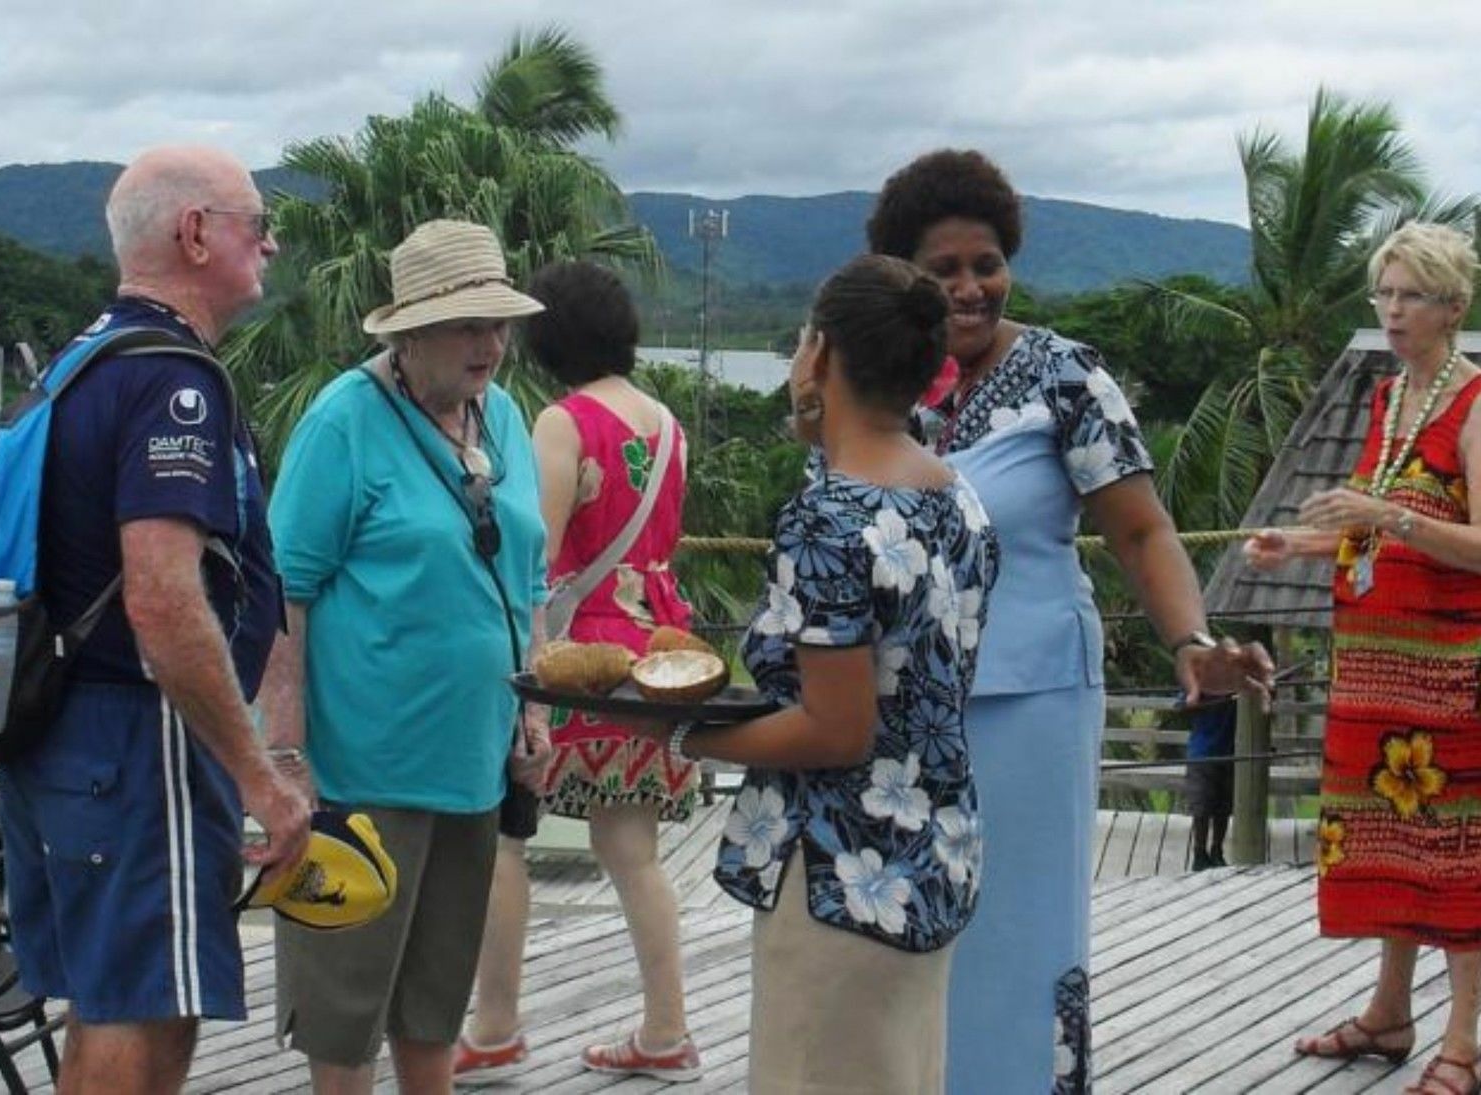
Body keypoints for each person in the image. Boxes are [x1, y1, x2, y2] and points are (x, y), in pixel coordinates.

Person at [865, 148, 1274, 1092]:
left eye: (986, 264)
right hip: (895, 705)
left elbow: (1140, 529)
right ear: (903, 278)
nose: (970, 287)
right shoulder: (872, 383)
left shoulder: (1065, 377)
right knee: (903, 923)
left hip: (1032, 699)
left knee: (1017, 928)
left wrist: (1193, 641)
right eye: (944, 269)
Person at [621, 254, 996, 1093]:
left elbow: (836, 727)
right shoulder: (954, 494)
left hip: (839, 871)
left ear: (820, 353)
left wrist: (680, 729)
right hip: (931, 854)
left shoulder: (832, 516)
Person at [0, 145, 313, 1095]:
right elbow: (162, 597)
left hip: (59, 732)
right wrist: (260, 773)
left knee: (108, 999)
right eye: (257, 224)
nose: (272, 243)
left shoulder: (82, 361)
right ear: (196, 233)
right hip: (136, 740)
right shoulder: (173, 379)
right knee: (143, 1010)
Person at [1247, 222, 1481, 1095]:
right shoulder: (1392, 398)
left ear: (1452, 306)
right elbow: (1382, 526)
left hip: (1467, 670)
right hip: (1388, 665)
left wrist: (1380, 518)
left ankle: (1462, 1043)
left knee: (1459, 849)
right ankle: (1389, 1014)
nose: (1391, 308)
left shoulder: (1480, 402)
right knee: (1396, 834)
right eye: (1384, 291)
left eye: (1411, 293)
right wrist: (1300, 546)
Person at [268, 218, 553, 1095]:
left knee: (436, 1006)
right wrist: (282, 759)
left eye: (498, 322)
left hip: (474, 765)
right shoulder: (343, 423)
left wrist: (533, 708)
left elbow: (527, 575)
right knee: (345, 1014)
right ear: (408, 331)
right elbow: (284, 598)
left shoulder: (502, 416)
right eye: (469, 324)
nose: (491, 343)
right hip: (363, 774)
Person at [456, 261, 702, 1084]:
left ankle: (494, 1023)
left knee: (504, 831)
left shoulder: (565, 422)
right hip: (661, 652)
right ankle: (665, 1027)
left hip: (580, 663)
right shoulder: (667, 422)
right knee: (635, 853)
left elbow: (538, 555)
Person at [1186, 700, 1238, 869]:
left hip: (1229, 752)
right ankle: (1199, 853)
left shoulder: (1236, 683)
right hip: (1201, 753)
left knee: (1223, 806)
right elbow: (1183, 704)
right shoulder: (1200, 680)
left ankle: (1217, 850)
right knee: (1201, 806)